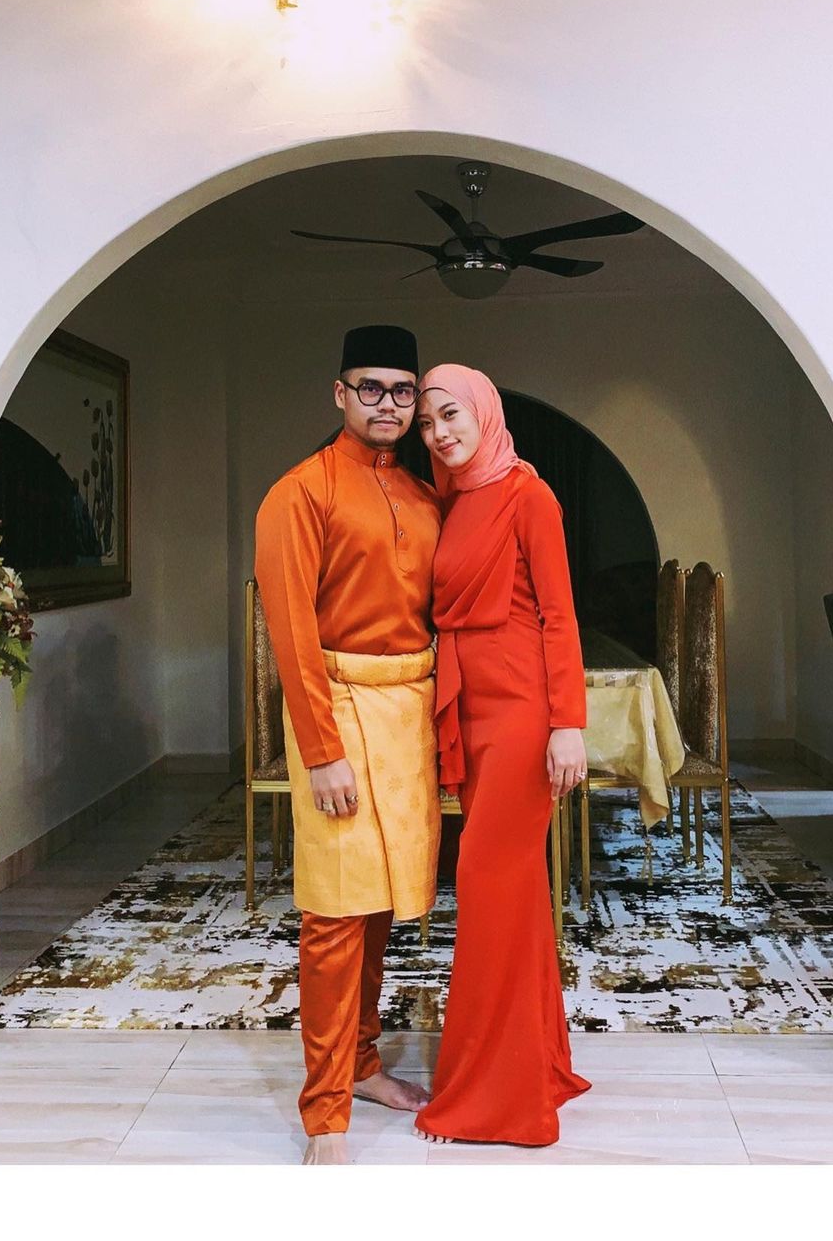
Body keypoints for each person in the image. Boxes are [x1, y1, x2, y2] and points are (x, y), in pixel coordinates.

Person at [254, 325, 443, 1166]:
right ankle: (325, 1115)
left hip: (408, 713)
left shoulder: (425, 493)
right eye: (371, 387)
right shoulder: (300, 492)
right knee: (334, 913)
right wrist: (321, 749)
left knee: (379, 908)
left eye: (402, 391)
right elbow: (292, 634)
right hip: (336, 709)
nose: (388, 404)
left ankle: (362, 1065)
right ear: (340, 393)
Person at [411, 363, 592, 1147]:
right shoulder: (452, 498)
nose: (438, 432)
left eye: (450, 414)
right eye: (427, 422)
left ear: (484, 411)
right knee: (513, 897)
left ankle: (491, 1099)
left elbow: (560, 614)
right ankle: (536, 1067)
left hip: (521, 713)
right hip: (471, 710)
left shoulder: (529, 494)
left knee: (486, 887)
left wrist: (567, 722)